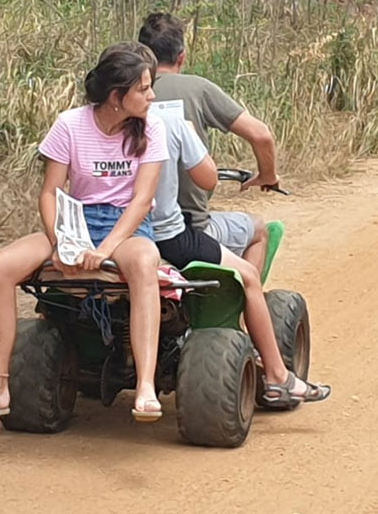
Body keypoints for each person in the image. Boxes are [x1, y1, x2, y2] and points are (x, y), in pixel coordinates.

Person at [0, 43, 168, 425]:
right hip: (75, 220)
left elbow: (142, 201)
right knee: (0, 266)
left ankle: (145, 385)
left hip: (124, 226)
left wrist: (106, 249)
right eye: (143, 89)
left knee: (144, 261)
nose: (151, 96)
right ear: (117, 96)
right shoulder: (70, 124)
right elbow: (50, 192)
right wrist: (64, 241)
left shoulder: (152, 125)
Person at [139, 42, 330, 405]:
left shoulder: (87, 123)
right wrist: (264, 174)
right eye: (147, 89)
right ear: (180, 56)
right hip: (177, 233)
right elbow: (213, 175)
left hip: (109, 239)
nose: (153, 94)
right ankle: (274, 372)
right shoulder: (168, 122)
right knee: (251, 259)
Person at [138, 13, 277, 275]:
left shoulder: (123, 96)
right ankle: (244, 310)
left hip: (129, 226)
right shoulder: (198, 90)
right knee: (259, 230)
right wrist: (267, 176)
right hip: (186, 228)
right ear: (182, 56)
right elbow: (261, 135)